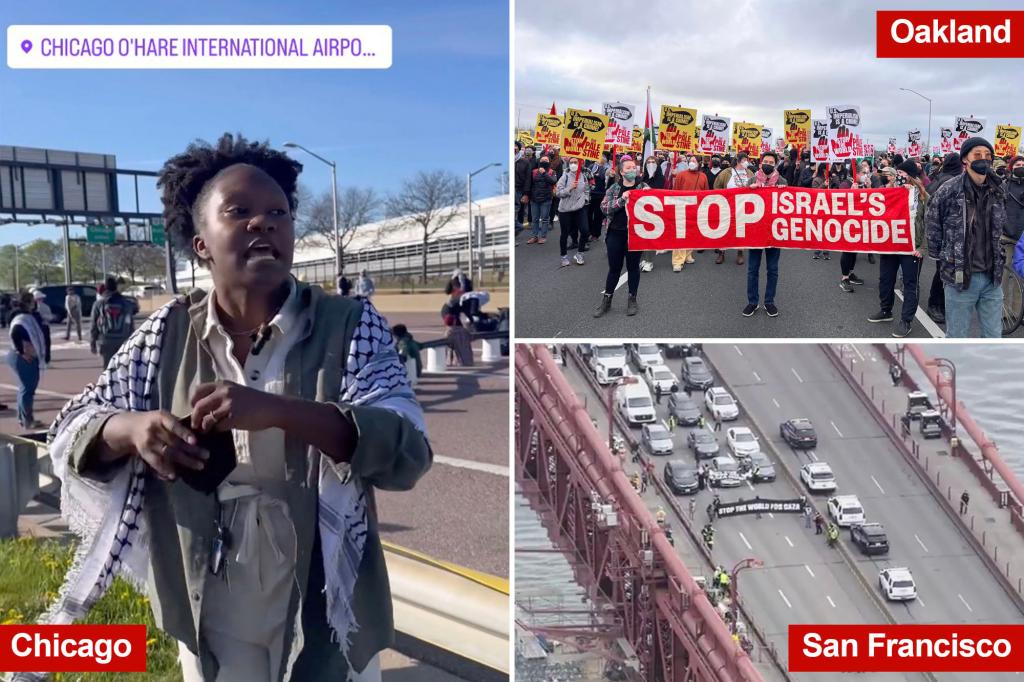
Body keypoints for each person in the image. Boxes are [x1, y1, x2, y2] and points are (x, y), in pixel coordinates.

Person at [42, 133, 430, 682]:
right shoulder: (166, 332)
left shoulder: (350, 325)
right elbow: (73, 427)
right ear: (201, 243)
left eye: (278, 212)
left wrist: (275, 410)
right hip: (208, 600)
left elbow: (407, 449)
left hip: (320, 600)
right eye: (239, 211)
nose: (263, 223)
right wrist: (134, 430)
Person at [925, 137, 1007, 338]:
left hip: (992, 277)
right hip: (960, 278)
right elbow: (933, 222)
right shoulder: (949, 189)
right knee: (957, 336)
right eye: (977, 155)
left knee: (994, 336)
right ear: (965, 159)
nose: (984, 159)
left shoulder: (998, 188)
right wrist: (942, 256)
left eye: (988, 155)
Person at [872, 160, 928, 337]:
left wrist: (923, 247)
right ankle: (885, 310)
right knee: (885, 279)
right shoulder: (889, 192)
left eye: (903, 174)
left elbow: (931, 223)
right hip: (891, 244)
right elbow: (870, 205)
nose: (900, 176)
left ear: (911, 176)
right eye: (899, 173)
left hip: (912, 247)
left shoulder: (923, 196)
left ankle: (906, 321)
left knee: (910, 284)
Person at [594, 158, 649, 318]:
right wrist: (621, 200)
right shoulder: (614, 188)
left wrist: (647, 196)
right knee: (614, 269)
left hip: (635, 235)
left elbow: (657, 203)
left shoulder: (643, 187)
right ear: (622, 172)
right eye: (629, 168)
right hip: (616, 234)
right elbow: (604, 208)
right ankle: (607, 300)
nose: (633, 170)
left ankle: (632, 299)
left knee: (633, 268)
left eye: (635, 167)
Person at [743, 152, 784, 317]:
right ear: (760, 164)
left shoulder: (782, 182)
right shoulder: (752, 181)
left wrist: (784, 191)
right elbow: (742, 203)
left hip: (774, 233)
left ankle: (769, 302)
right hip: (755, 232)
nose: (768, 163)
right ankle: (752, 302)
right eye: (765, 161)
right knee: (752, 269)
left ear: (775, 164)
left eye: (771, 162)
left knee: (772, 270)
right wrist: (748, 190)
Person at [5, 291, 46, 429]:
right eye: (31, 301)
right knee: (27, 389)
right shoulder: (21, 318)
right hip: (22, 358)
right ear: (27, 303)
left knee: (26, 389)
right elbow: (15, 332)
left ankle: (23, 418)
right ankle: (27, 420)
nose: (34, 303)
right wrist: (22, 351)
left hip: (25, 356)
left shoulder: (29, 316)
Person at [669, 154, 708, 271]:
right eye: (690, 160)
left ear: (699, 163)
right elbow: (675, 191)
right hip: (681, 208)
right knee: (680, 235)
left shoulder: (703, 176)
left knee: (692, 233)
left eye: (694, 161)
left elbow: (706, 193)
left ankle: (687, 255)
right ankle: (677, 261)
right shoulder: (681, 175)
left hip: (696, 209)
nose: (692, 162)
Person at [713, 151, 752, 265]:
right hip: (727, 207)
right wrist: (726, 195)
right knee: (724, 230)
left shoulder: (749, 173)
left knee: (741, 231)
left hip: (743, 208)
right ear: (738, 160)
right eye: (744, 160)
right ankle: (721, 252)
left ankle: (740, 252)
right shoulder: (726, 173)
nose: (746, 162)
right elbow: (716, 187)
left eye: (747, 160)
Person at [90, 276, 136, 368]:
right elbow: (130, 322)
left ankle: (108, 382)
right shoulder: (126, 303)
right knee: (123, 367)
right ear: (116, 287)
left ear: (105, 288)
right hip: (123, 339)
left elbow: (94, 324)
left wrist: (93, 342)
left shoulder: (99, 304)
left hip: (105, 339)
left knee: (108, 368)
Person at [555, 157, 591, 267]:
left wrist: (584, 200)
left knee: (585, 231)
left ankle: (579, 254)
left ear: (580, 164)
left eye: (576, 162)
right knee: (564, 234)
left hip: (579, 209)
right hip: (565, 210)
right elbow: (558, 193)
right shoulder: (564, 177)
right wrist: (570, 188)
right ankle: (564, 256)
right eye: (571, 162)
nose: (573, 164)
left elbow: (587, 190)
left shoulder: (583, 176)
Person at [526, 155, 557, 244]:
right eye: (542, 160)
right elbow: (529, 184)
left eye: (546, 160)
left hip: (546, 199)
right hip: (534, 199)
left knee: (545, 219)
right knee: (535, 219)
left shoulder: (552, 172)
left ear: (549, 162)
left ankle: (543, 237)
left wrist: (544, 173)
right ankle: (534, 236)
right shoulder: (534, 172)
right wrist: (528, 195)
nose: (544, 161)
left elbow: (553, 181)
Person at [442, 287, 473, 366]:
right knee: (457, 332)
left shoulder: (459, 298)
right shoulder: (465, 301)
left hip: (446, 310)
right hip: (449, 313)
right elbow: (468, 313)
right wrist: (472, 321)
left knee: (453, 332)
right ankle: (455, 358)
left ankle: (450, 359)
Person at [515, 146, 535, 231]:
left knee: (521, 209)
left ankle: (519, 226)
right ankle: (517, 226)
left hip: (521, 189)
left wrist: (526, 192)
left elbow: (528, 178)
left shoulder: (525, 162)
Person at [31, 289, 53, 364]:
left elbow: (50, 317)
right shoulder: (32, 308)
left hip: (44, 327)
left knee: (46, 343)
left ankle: (46, 359)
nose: (39, 300)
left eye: (40, 298)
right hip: (35, 328)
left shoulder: (45, 307)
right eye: (38, 299)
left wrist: (43, 316)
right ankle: (38, 359)